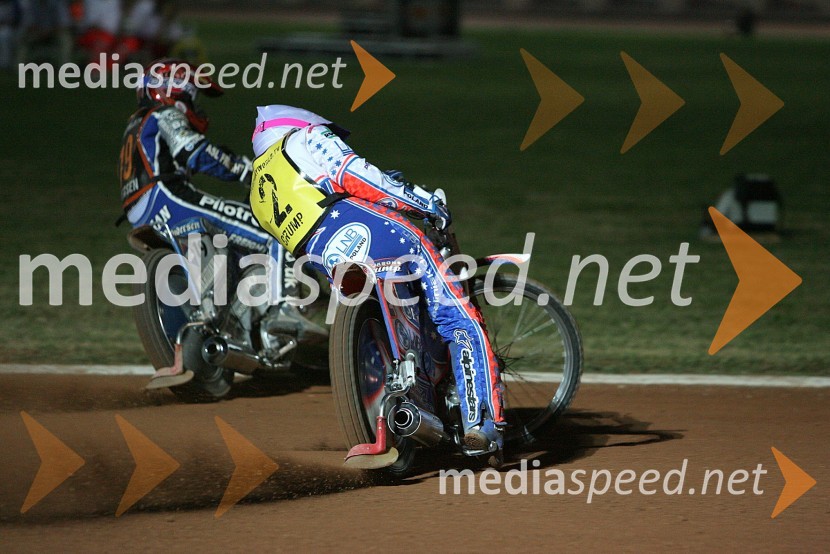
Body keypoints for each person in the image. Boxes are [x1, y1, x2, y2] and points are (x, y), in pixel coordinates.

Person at [249, 105, 505, 453]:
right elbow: (361, 177)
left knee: (397, 319)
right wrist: (426, 203)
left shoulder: (257, 189)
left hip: (324, 254)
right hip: (373, 229)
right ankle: (482, 423)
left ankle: (413, 402)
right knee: (458, 315)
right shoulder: (306, 138)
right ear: (300, 124)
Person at [119, 60, 291, 385]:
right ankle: (281, 314)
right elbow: (194, 150)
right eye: (194, 96)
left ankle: (238, 317)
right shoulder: (163, 114)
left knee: (234, 239)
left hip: (143, 211)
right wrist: (245, 168)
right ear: (174, 90)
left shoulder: (135, 124)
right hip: (169, 197)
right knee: (275, 231)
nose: (196, 106)